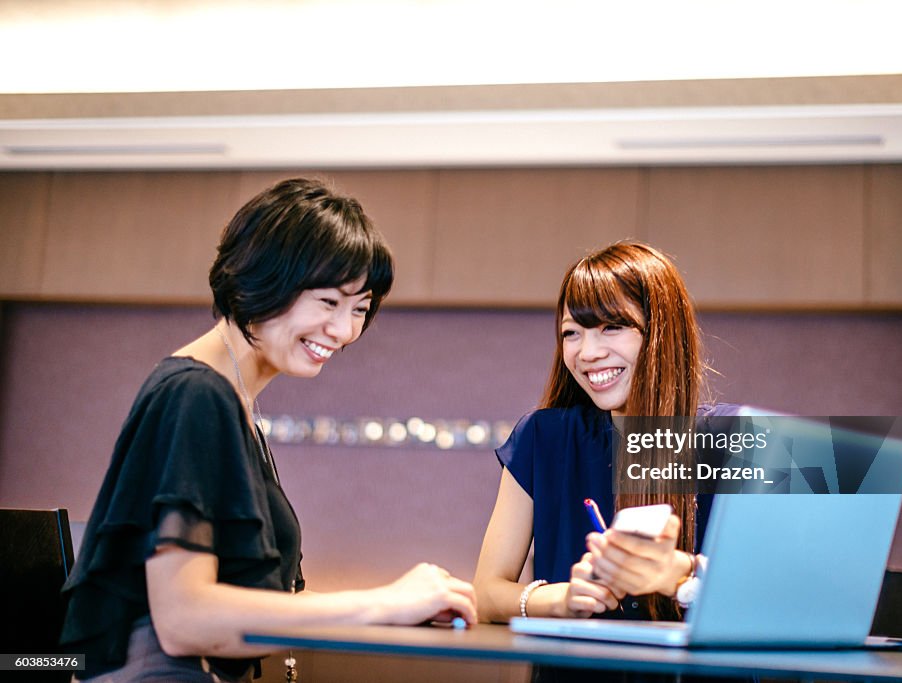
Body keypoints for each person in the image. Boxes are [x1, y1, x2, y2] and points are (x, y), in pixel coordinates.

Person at [61, 178, 477, 682]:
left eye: (360, 310)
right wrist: (384, 602)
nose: (345, 331)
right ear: (264, 278)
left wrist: (400, 605)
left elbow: (245, 602)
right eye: (328, 302)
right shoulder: (196, 393)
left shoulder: (234, 400)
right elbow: (184, 620)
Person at [474, 241, 730, 625]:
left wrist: (683, 573)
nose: (588, 352)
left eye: (612, 327)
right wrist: (561, 598)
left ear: (661, 333)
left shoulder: (731, 439)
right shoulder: (542, 439)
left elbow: (798, 594)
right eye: (571, 333)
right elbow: (486, 593)